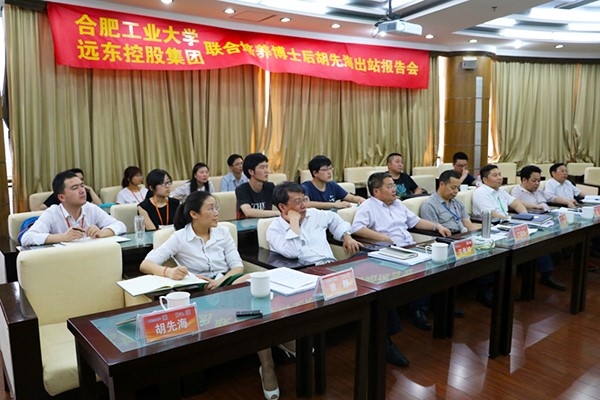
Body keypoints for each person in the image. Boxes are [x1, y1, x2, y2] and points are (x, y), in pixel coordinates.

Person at [140, 191, 279, 400]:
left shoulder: (223, 232)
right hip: (199, 291)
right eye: (211, 208)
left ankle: (268, 364)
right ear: (194, 214)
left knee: (253, 282)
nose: (216, 213)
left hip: (226, 282)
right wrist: (169, 272)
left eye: (216, 208)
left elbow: (237, 267)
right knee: (252, 301)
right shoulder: (180, 237)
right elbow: (145, 264)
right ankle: (275, 349)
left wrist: (221, 282)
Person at [350, 172, 451, 366]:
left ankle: (422, 309)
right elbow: (357, 228)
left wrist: (436, 226)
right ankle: (409, 316)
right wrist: (383, 238)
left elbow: (415, 222)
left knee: (437, 266)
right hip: (388, 252)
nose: (394, 189)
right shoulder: (368, 206)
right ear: (376, 191)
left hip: (409, 248)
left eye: (394, 185)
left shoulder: (398, 204)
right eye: (389, 186)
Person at [472, 164, 565, 303]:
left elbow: (516, 203)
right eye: (495, 175)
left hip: (506, 225)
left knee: (536, 238)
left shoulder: (499, 191)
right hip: (491, 228)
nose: (499, 178)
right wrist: (512, 220)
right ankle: (486, 290)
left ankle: (546, 274)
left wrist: (525, 217)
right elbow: (493, 214)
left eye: (499, 174)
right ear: (485, 180)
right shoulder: (481, 193)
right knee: (497, 251)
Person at [21, 170, 126, 246]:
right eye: (75, 188)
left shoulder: (90, 208)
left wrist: (102, 232)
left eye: (82, 186)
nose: (82, 191)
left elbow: (120, 225)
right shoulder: (52, 213)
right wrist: (63, 237)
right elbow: (27, 238)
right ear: (62, 197)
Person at [267, 181, 361, 266]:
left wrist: (346, 236)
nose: (304, 205)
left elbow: (334, 218)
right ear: (282, 207)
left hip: (331, 265)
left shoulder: (314, 214)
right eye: (298, 202)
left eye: (304, 199)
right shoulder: (275, 230)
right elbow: (292, 252)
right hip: (307, 271)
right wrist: (294, 221)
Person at [420, 170, 477, 234]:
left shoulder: (457, 202)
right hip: (447, 237)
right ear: (442, 184)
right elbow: (434, 232)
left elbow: (468, 225)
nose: (456, 191)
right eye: (453, 188)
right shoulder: (429, 205)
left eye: (458, 188)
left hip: (462, 235)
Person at [301, 155, 365, 209]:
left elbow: (351, 198)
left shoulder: (332, 185)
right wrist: (334, 205)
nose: (329, 172)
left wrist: (361, 200)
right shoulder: (305, 187)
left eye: (330, 168)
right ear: (315, 173)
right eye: (325, 170)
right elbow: (306, 203)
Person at [235, 153, 280, 219]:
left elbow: (283, 204)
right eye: (262, 167)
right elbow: (248, 212)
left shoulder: (270, 187)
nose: (267, 171)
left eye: (266, 167)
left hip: (265, 224)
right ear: (251, 171)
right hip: (247, 225)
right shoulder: (242, 189)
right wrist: (277, 213)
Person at [511, 165, 577, 210]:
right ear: (524, 180)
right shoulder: (517, 191)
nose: (537, 183)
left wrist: (568, 201)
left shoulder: (539, 191)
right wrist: (536, 207)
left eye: (539, 181)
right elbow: (515, 204)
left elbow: (551, 197)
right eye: (534, 181)